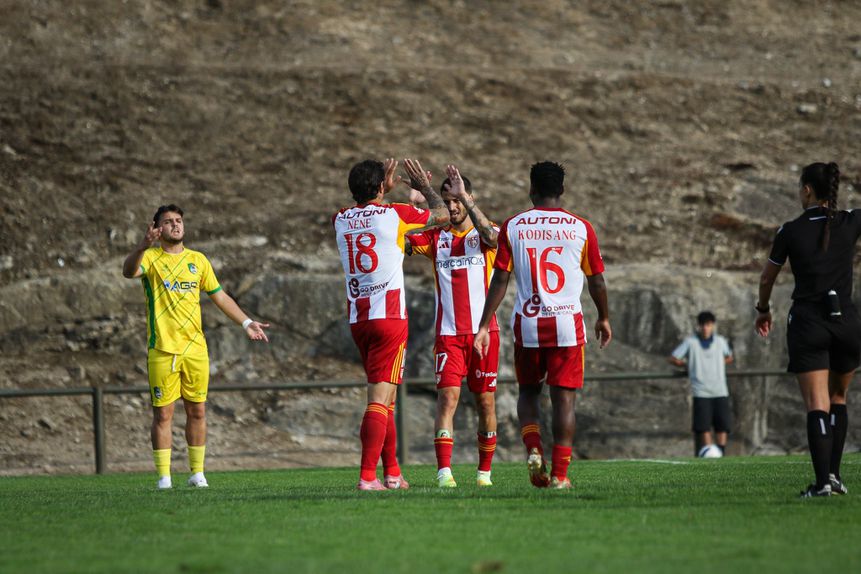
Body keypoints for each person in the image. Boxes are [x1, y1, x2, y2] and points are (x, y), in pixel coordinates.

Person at [474, 161, 611, 489]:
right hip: (566, 324)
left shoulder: (513, 226)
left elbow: (500, 279)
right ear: (561, 190)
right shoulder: (581, 228)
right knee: (564, 400)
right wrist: (603, 317)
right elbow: (597, 281)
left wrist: (483, 325)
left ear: (531, 189)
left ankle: (534, 449)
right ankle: (561, 476)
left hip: (529, 324)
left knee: (529, 393)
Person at [122, 204, 270, 489]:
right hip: (162, 349)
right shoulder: (151, 258)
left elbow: (220, 296)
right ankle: (164, 477)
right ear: (157, 228)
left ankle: (197, 473)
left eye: (178, 221)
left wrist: (246, 322)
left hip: (195, 349)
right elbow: (128, 272)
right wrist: (142, 245)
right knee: (163, 414)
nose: (175, 225)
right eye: (168, 222)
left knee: (197, 410)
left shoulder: (198, 260)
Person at [333, 158, 450, 491]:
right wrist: (425, 189)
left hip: (359, 317)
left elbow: (366, 212)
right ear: (382, 187)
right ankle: (368, 477)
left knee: (388, 398)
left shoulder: (340, 218)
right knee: (378, 400)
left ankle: (393, 473)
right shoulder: (395, 214)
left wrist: (382, 189)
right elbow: (441, 216)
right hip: (389, 317)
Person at [756, 162, 860, 497]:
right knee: (838, 397)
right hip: (846, 323)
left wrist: (763, 310)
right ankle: (834, 476)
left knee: (818, 404)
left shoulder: (790, 230)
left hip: (808, 323)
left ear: (806, 190)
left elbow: (767, 278)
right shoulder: (851, 220)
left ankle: (821, 484)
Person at [406, 169, 500, 488]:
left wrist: (468, 200)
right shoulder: (436, 238)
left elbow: (494, 239)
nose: (452, 208)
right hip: (448, 336)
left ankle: (484, 473)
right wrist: (420, 208)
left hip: (484, 335)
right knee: (447, 399)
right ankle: (444, 473)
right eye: (447, 202)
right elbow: (400, 239)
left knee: (485, 402)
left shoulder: (483, 236)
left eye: (457, 200)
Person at [669, 311, 734, 457]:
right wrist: (688, 365)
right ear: (699, 326)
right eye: (703, 325)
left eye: (709, 325)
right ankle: (708, 452)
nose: (706, 328)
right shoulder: (690, 342)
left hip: (720, 390)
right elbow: (673, 358)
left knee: (722, 425)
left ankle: (721, 453)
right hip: (701, 391)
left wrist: (716, 364)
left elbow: (729, 357)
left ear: (713, 326)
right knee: (703, 426)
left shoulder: (720, 341)